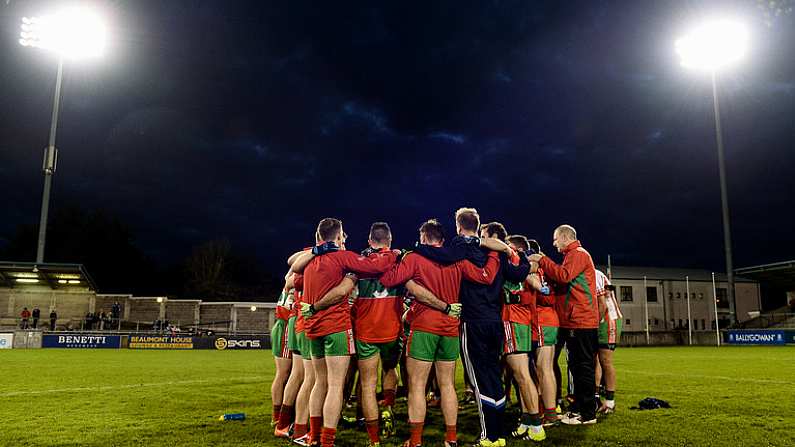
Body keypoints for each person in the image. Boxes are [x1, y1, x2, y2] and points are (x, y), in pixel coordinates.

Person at [412, 209, 529, 446]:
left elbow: (439, 254)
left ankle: (489, 436)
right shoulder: (493, 251)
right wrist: (519, 254)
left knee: (478, 380)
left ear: (458, 226)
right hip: (495, 322)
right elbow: (520, 273)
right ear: (477, 226)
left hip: (473, 322)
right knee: (494, 377)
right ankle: (498, 434)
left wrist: (415, 247)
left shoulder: (458, 248)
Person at [379, 218, 500, 447]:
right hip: (450, 328)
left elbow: (387, 279)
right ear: (443, 240)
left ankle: (415, 440)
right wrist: (494, 254)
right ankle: (451, 439)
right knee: (447, 385)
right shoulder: (456, 260)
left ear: (423, 238)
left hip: (424, 326)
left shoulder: (415, 257)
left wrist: (399, 260)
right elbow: (486, 276)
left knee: (417, 385)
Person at [292, 217, 397, 447]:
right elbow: (376, 266)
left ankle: (312, 437)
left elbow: (294, 275)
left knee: (319, 383)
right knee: (336, 386)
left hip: (312, 328)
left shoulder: (309, 261)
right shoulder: (344, 257)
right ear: (338, 237)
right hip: (336, 328)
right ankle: (327, 440)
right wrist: (391, 253)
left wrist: (315, 252)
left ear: (320, 237)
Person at [529, 224, 599, 425]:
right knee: (576, 367)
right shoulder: (573, 255)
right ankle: (579, 409)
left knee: (583, 367)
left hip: (582, 321)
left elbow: (563, 276)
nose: (553, 243)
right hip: (575, 320)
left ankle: (587, 414)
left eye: (555, 239)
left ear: (565, 237)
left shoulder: (578, 253)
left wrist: (542, 260)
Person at [348, 222, 405, 447]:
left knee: (368, 384)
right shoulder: (399, 261)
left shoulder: (360, 264)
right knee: (391, 369)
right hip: (392, 329)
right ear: (389, 240)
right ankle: (388, 407)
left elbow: (349, 292)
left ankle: (374, 440)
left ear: (370, 241)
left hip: (366, 330)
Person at [526, 239, 561, 427]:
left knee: (543, 368)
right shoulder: (548, 267)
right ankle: (548, 410)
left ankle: (549, 414)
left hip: (541, 319)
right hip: (549, 320)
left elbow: (544, 295)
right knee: (545, 368)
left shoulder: (536, 268)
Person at [594, 269, 622, 414]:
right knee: (596, 361)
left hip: (608, 320)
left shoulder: (593, 274)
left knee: (605, 360)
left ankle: (610, 401)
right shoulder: (597, 274)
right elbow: (609, 288)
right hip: (602, 319)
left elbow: (603, 304)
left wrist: (592, 325)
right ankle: (596, 397)